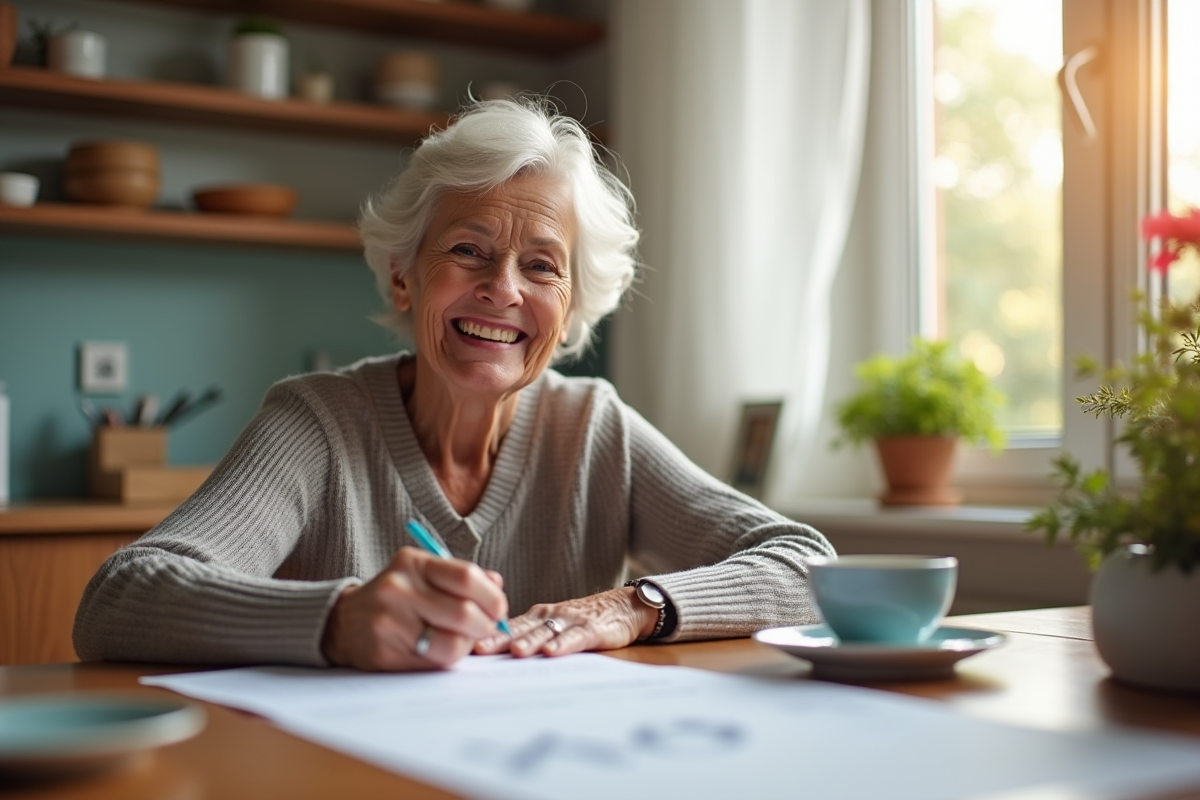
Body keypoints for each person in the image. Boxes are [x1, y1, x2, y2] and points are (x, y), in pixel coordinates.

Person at [73, 98, 835, 672]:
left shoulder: (594, 427)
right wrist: (337, 619)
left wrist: (635, 606)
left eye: (542, 265)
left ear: (569, 311)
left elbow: (808, 564)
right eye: (469, 250)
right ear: (405, 278)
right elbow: (119, 599)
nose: (503, 290)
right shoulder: (317, 423)